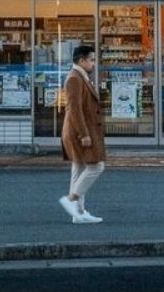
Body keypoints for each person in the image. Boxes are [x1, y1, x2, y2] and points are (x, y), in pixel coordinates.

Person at [58, 44, 106, 224]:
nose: (94, 63)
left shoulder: (80, 77)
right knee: (96, 166)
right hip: (80, 131)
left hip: (78, 130)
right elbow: (74, 109)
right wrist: (84, 134)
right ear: (82, 60)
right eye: (91, 60)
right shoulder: (75, 79)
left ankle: (78, 213)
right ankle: (72, 201)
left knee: (78, 168)